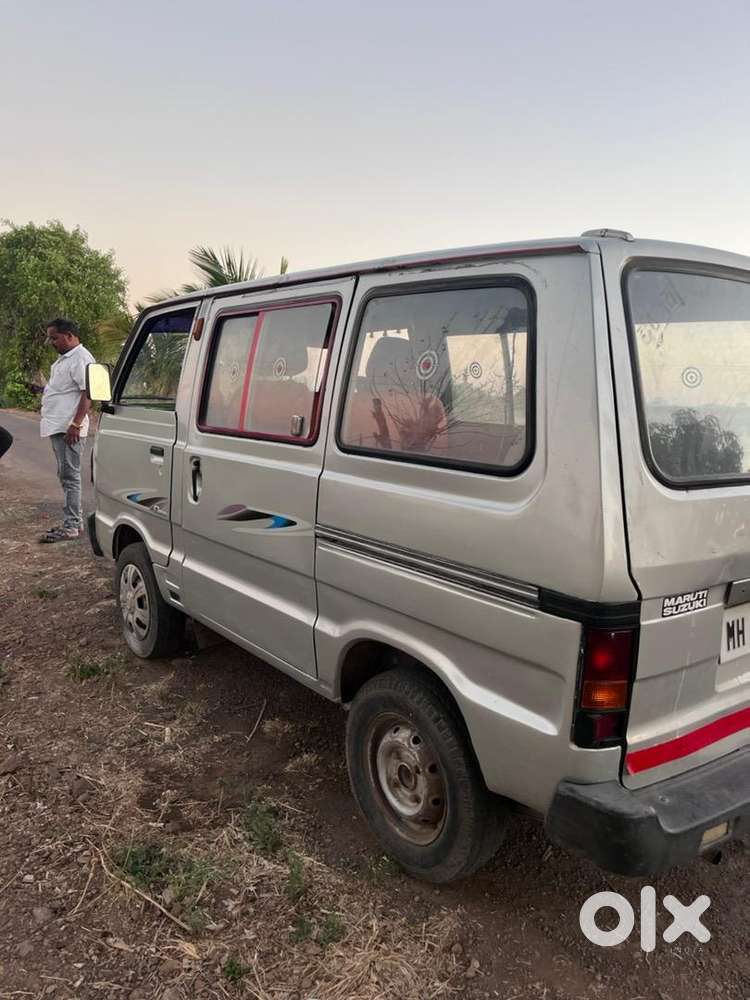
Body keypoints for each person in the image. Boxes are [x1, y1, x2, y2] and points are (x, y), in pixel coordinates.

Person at [38, 318, 96, 542]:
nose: (51, 342)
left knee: (70, 477)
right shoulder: (65, 360)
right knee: (65, 475)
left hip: (69, 428)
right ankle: (74, 522)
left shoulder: (81, 358)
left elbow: (88, 392)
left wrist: (76, 423)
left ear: (69, 335)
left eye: (55, 338)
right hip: (58, 426)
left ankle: (72, 525)